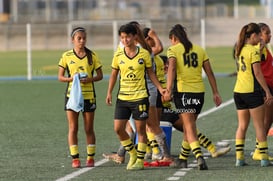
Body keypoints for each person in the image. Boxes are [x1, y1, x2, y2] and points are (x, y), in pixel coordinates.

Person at [105, 23, 165, 171]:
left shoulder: (143, 53)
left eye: (128, 37)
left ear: (134, 37)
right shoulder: (118, 54)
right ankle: (132, 153)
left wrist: (160, 88)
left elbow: (151, 73)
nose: (125, 40)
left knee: (141, 130)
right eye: (123, 37)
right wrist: (109, 92)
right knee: (118, 129)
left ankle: (139, 160)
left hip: (140, 97)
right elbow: (114, 74)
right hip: (123, 97)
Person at [163, 24, 222, 170]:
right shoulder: (200, 49)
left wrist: (168, 90)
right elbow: (209, 72)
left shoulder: (173, 50)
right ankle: (183, 159)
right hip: (199, 93)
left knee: (188, 127)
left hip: (183, 92)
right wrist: (215, 92)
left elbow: (171, 68)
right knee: (189, 127)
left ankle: (199, 157)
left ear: (174, 38)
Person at [58, 27, 103, 168]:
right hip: (72, 97)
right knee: (73, 128)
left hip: (89, 96)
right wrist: (72, 78)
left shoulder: (92, 56)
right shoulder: (66, 56)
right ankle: (75, 158)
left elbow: (100, 75)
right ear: (73, 40)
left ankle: (90, 157)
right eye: (79, 38)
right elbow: (60, 77)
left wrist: (89, 79)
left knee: (89, 128)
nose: (82, 41)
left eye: (84, 38)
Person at [233, 22, 272, 167]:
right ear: (254, 35)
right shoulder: (253, 51)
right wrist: (267, 91)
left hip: (238, 92)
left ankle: (239, 159)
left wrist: (260, 47)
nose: (260, 38)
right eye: (259, 35)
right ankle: (263, 159)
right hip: (251, 92)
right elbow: (257, 73)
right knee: (259, 126)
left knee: (242, 126)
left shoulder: (239, 49)